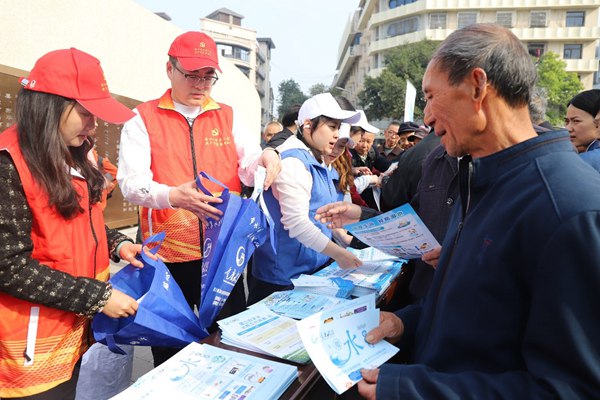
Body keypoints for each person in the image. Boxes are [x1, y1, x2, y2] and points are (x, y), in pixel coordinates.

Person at [316, 23, 600, 399]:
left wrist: (410, 389)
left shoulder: (568, 208)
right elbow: (479, 314)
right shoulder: (479, 178)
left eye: (432, 96)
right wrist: (406, 324)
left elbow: (570, 390)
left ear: (478, 86)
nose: (427, 118)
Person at [117, 31, 281, 367]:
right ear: (169, 69)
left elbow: (248, 165)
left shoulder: (227, 115)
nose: (201, 85)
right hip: (167, 254)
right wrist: (172, 195)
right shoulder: (142, 118)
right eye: (191, 75)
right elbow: (131, 184)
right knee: (168, 345)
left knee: (229, 337)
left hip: (222, 254)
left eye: (208, 77)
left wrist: (265, 157)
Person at [0, 48, 150, 400]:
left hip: (72, 330)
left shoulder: (77, 154)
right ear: (50, 106)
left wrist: (116, 243)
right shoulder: (9, 165)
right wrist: (98, 297)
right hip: (29, 348)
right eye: (85, 114)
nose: (94, 125)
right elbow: (8, 265)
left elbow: (81, 221)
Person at [248, 93, 363, 304]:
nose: (337, 135)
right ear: (308, 125)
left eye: (339, 127)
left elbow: (321, 217)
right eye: (332, 126)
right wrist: (340, 254)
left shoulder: (317, 161)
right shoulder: (294, 162)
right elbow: (297, 224)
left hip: (307, 271)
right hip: (281, 279)